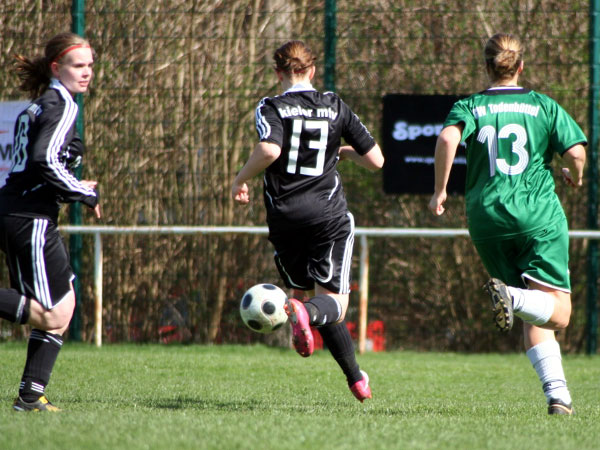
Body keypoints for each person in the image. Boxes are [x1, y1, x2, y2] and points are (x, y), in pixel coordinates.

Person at [428, 33, 586, 415]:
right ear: (521, 66)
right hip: (537, 217)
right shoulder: (542, 105)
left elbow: (447, 139)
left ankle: (558, 396)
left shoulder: (470, 105)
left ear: (486, 66)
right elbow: (577, 152)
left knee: (537, 310)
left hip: (487, 219)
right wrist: (575, 176)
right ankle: (511, 298)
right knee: (558, 312)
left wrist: (440, 190)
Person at [232, 40, 384, 402]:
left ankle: (356, 379)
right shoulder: (334, 105)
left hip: (285, 219)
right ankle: (305, 313)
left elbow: (270, 148)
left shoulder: (271, 106)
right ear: (312, 70)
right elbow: (376, 160)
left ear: (278, 73)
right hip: (327, 216)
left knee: (316, 299)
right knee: (332, 305)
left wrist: (240, 179)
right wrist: (344, 152)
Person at [0, 32, 101, 412]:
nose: (86, 72)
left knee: (64, 305)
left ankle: (30, 396)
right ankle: (29, 397)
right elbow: (44, 160)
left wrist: (73, 184)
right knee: (53, 312)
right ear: (57, 68)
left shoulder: (42, 104)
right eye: (78, 65)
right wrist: (81, 192)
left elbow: (37, 164)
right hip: (28, 218)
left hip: (26, 213)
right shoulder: (61, 105)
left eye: (90, 65)